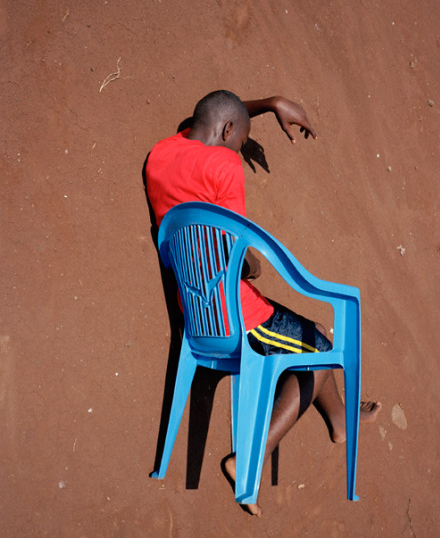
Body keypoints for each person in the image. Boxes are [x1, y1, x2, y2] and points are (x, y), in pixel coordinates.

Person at [145, 90, 381, 516]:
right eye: (239, 140)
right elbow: (238, 252)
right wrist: (253, 264)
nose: (238, 148)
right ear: (229, 132)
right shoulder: (224, 164)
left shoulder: (160, 154)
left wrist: (270, 104)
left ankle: (340, 421)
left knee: (308, 339)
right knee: (324, 347)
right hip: (237, 317)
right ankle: (248, 460)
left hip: (194, 311)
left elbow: (214, 112)